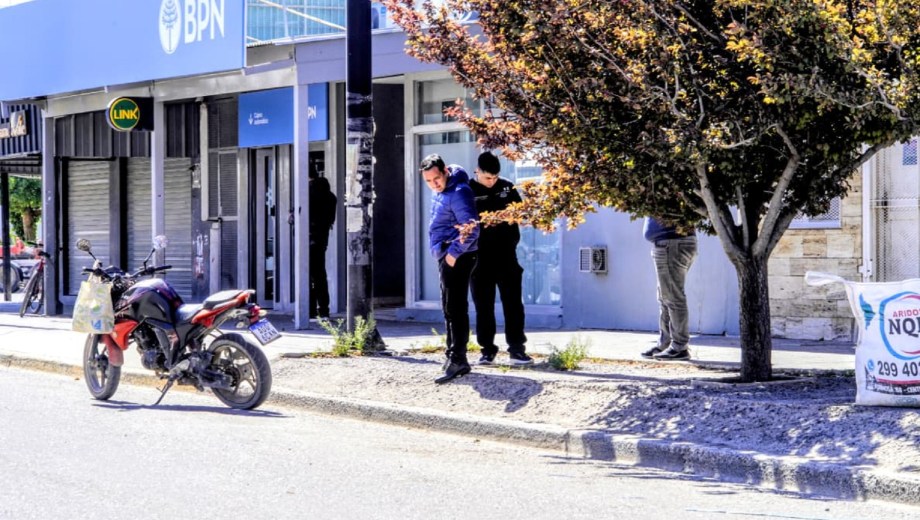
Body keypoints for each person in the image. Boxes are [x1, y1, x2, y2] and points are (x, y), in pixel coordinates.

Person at [469, 151, 533, 366]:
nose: (492, 181)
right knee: (483, 306)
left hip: (507, 255)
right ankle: (487, 350)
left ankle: (517, 349)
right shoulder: (468, 190)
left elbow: (521, 214)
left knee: (513, 304)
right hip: (480, 258)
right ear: (477, 171)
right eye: (488, 178)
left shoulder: (507, 186)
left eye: (495, 177)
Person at [421, 153, 480, 384]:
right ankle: (452, 355)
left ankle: (459, 359)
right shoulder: (442, 191)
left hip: (458, 255)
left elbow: (472, 228)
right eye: (428, 181)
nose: (433, 184)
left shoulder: (459, 192)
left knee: (455, 308)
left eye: (436, 178)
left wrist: (453, 255)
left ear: (445, 170)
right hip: (445, 253)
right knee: (449, 308)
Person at [641, 216, 697, 360]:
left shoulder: (666, 194)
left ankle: (679, 346)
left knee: (673, 297)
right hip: (670, 243)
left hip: (671, 244)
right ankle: (665, 343)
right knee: (665, 296)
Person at [309, 168, 337, 319]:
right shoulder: (331, 197)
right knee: (320, 274)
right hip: (321, 239)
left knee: (307, 276)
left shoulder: (308, 194)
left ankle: (310, 310)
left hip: (308, 238)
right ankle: (324, 309)